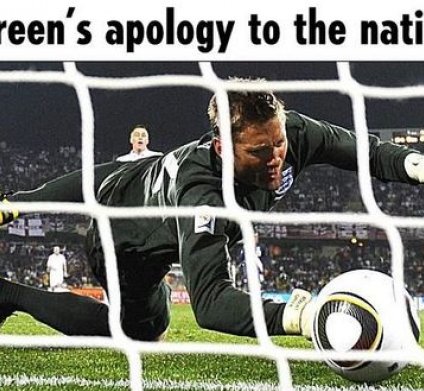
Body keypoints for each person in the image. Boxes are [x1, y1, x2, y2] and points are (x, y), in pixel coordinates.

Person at [1, 80, 424, 341]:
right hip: (122, 240)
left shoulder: (290, 133)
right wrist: (301, 315)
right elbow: (209, 303)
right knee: (141, 330)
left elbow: (363, 150)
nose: (276, 158)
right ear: (222, 148)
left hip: (145, 195)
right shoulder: (202, 194)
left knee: (155, 315)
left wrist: (414, 164)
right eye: (259, 152)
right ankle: (11, 294)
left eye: (278, 144)